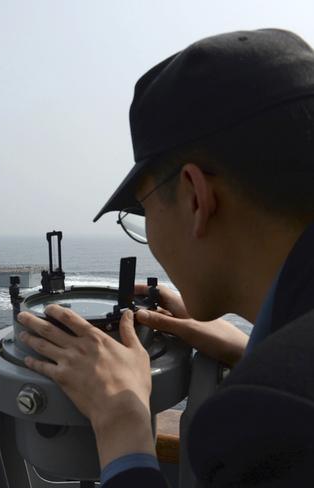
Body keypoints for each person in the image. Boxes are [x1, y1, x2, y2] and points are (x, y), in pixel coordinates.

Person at [17, 28, 314, 487]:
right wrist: (251, 348)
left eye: (144, 208)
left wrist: (122, 423)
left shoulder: (269, 417)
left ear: (196, 198)